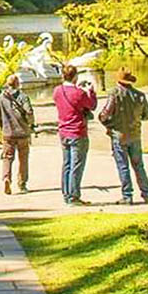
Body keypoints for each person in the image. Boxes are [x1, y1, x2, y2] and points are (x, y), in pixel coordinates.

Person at [98, 68, 148, 205]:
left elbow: (105, 113)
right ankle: (147, 194)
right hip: (134, 134)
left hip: (119, 134)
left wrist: (105, 121)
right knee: (139, 166)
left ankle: (127, 195)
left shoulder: (114, 94)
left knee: (123, 165)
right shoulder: (139, 95)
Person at [53, 65, 96, 205]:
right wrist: (91, 92)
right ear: (75, 76)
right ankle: (73, 196)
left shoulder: (57, 91)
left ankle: (66, 193)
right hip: (77, 131)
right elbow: (92, 105)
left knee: (67, 164)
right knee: (77, 165)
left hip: (63, 131)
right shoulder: (79, 93)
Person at [0, 74, 33, 195]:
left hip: (8, 133)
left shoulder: (0, 98)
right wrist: (30, 124)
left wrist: (1, 126)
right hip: (22, 132)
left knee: (7, 158)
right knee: (23, 159)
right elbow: (29, 112)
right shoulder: (23, 97)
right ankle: (22, 183)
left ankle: (6, 178)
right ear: (17, 83)